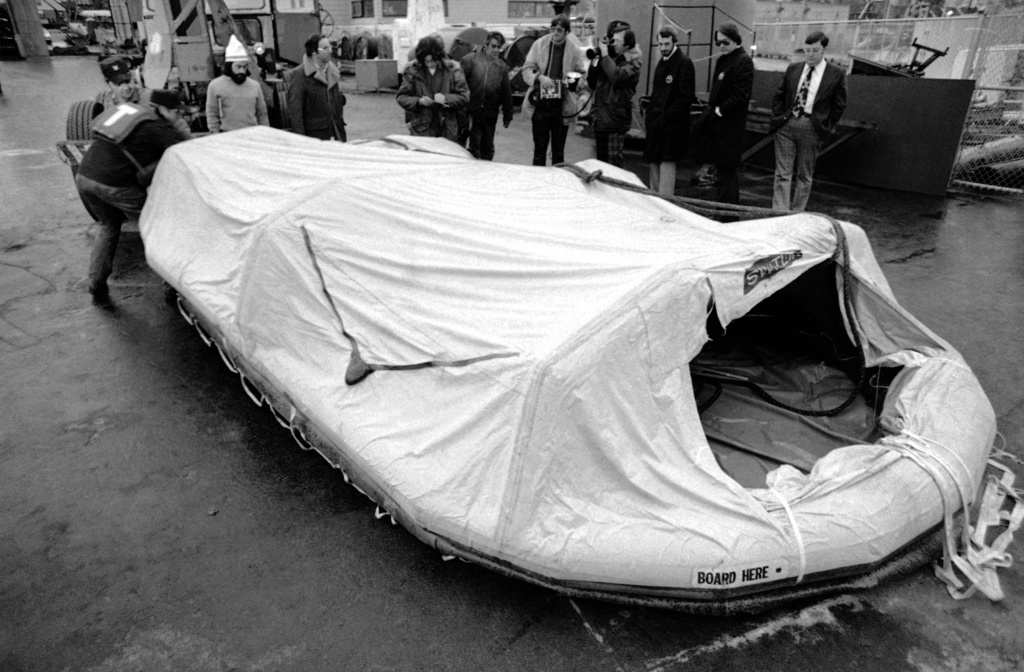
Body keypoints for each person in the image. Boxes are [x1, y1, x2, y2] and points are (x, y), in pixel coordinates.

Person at [75, 89, 192, 304]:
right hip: (114, 184)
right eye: (175, 111)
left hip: (84, 176)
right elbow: (184, 153)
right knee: (156, 228)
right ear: (162, 109)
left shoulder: (131, 113)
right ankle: (171, 288)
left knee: (108, 226)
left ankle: (95, 282)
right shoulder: (156, 126)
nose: (178, 116)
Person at [770, 31, 848, 212]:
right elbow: (779, 95)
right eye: (807, 50)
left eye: (814, 50)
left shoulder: (836, 74)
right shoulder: (794, 69)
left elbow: (839, 105)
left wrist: (824, 126)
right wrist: (779, 118)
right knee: (782, 173)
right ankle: (779, 214)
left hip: (812, 126)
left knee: (804, 175)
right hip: (787, 124)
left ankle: (797, 214)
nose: (810, 55)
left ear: (823, 50)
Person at [691, 23, 753, 204]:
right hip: (718, 126)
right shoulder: (724, 59)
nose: (721, 46)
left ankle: (728, 215)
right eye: (718, 43)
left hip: (730, 127)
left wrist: (720, 110)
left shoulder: (743, 61)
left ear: (735, 40)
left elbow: (741, 94)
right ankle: (721, 210)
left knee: (727, 172)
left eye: (725, 42)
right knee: (720, 172)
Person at [521, 15, 588, 166]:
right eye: (552, 28)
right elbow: (526, 69)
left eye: (559, 30)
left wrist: (572, 82)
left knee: (558, 152)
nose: (555, 33)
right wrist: (540, 78)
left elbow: (582, 75)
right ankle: (539, 181)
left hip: (561, 107)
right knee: (539, 150)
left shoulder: (574, 50)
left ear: (566, 32)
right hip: (540, 105)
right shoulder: (539, 44)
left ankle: (558, 183)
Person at [642, 27, 695, 196]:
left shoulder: (684, 63)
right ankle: (656, 201)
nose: (663, 47)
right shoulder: (663, 62)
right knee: (655, 164)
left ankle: (664, 203)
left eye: (666, 44)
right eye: (660, 44)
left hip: (671, 127)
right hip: (658, 124)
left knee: (667, 165)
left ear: (674, 42)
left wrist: (665, 116)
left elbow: (685, 97)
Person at [586, 21, 642, 168]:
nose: (613, 43)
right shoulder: (609, 57)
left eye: (617, 40)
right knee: (600, 165)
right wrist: (597, 58)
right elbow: (592, 81)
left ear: (627, 44)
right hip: (601, 118)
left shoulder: (633, 62)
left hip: (615, 120)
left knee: (613, 165)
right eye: (612, 40)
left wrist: (605, 56)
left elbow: (617, 77)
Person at [397, 36, 470, 141]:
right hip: (422, 130)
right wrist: (419, 101)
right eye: (426, 61)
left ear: (439, 56)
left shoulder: (453, 71)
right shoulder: (412, 72)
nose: (430, 64)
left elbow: (464, 96)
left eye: (433, 61)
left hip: (446, 129)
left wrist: (446, 99)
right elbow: (402, 97)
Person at [459, 32, 514, 160]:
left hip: (490, 114)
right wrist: (460, 109)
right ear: (486, 45)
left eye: (499, 47)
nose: (496, 50)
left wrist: (508, 113)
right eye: (493, 46)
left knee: (488, 149)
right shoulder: (470, 60)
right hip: (472, 112)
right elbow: (459, 85)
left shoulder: (501, 67)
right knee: (474, 148)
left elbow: (506, 91)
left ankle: (487, 175)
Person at [286, 34, 347, 141]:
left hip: (336, 132)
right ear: (314, 52)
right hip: (315, 137)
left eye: (330, 47)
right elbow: (296, 113)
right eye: (325, 48)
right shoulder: (300, 75)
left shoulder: (332, 71)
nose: (330, 51)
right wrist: (302, 141)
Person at [205, 34, 269, 133]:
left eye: (245, 67)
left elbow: (262, 114)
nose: (242, 71)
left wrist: (265, 134)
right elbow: (212, 114)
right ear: (229, 66)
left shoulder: (255, 86)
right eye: (238, 67)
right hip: (227, 137)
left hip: (252, 135)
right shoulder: (215, 86)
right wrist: (215, 134)